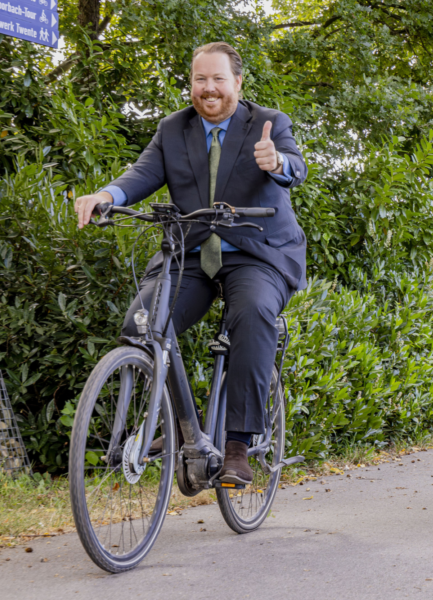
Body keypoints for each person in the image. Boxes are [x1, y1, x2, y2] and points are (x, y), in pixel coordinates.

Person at [74, 42, 308, 486]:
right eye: (200, 79)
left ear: (237, 82)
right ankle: (186, 431)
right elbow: (141, 173)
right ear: (191, 83)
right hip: (193, 251)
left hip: (258, 252)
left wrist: (276, 162)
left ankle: (237, 446)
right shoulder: (173, 128)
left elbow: (295, 166)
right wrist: (106, 196)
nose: (209, 88)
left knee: (253, 313)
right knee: (144, 322)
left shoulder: (268, 123)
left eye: (218, 79)